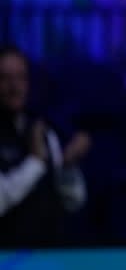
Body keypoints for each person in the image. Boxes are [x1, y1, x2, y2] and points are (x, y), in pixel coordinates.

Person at [0, 46, 91, 247]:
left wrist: (68, 166)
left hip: (46, 257)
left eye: (21, 78)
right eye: (4, 78)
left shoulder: (42, 130)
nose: (14, 86)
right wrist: (35, 162)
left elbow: (73, 201)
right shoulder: (37, 140)